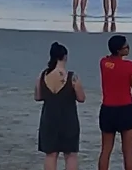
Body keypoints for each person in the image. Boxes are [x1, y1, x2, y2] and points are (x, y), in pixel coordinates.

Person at [35, 42, 85, 170]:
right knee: (71, 155)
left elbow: (38, 97)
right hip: (68, 119)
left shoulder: (42, 76)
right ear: (65, 57)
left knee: (51, 155)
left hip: (49, 119)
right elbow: (81, 98)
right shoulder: (72, 77)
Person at [99, 35, 132, 170]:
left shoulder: (104, 63)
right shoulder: (129, 66)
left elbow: (108, 61)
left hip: (108, 109)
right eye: (126, 47)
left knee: (106, 150)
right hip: (126, 108)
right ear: (119, 50)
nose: (128, 48)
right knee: (128, 152)